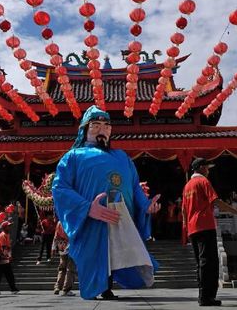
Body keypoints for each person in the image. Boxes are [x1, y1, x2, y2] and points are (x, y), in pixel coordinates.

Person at [52, 105, 162, 300]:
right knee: (94, 251)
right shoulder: (73, 157)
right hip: (93, 214)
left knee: (113, 252)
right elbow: (60, 188)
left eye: (106, 125)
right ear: (84, 129)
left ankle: (107, 288)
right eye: (95, 125)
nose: (102, 129)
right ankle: (95, 288)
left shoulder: (122, 157)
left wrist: (146, 206)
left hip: (121, 212)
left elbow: (135, 186)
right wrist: (86, 208)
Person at [182, 157, 237, 307]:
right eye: (207, 167)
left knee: (200, 263)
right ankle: (207, 297)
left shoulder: (187, 186)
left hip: (193, 228)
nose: (208, 171)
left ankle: (202, 295)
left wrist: (186, 228)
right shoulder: (203, 182)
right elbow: (216, 202)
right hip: (205, 226)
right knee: (210, 262)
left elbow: (183, 210)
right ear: (201, 167)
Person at [0, 221, 19, 295]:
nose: (9, 227)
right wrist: (8, 256)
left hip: (3, 255)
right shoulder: (2, 235)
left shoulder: (7, 235)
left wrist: (9, 255)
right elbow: (4, 247)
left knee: (6, 274)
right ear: (4, 227)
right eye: (8, 226)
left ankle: (12, 288)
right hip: (1, 255)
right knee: (1, 274)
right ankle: (11, 288)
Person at [52, 220, 76, 296]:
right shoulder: (72, 220)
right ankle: (66, 289)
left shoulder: (60, 222)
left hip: (61, 246)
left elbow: (56, 235)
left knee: (62, 268)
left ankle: (57, 286)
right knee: (70, 269)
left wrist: (53, 247)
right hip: (71, 246)